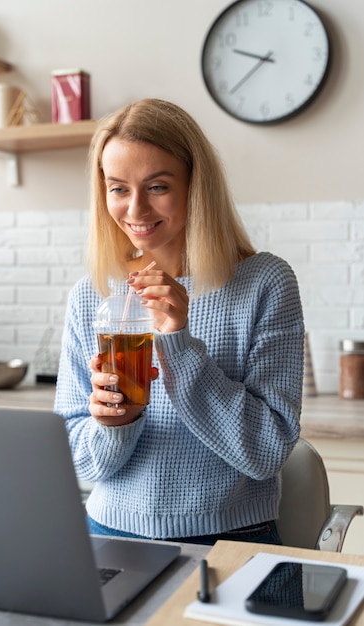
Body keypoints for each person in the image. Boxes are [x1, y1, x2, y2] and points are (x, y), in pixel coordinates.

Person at [54, 98, 304, 546]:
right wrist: (114, 424)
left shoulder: (264, 282)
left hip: (232, 540)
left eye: (157, 186)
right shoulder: (92, 295)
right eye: (117, 188)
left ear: (195, 185)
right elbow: (75, 460)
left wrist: (178, 344)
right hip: (110, 535)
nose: (135, 210)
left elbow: (266, 451)